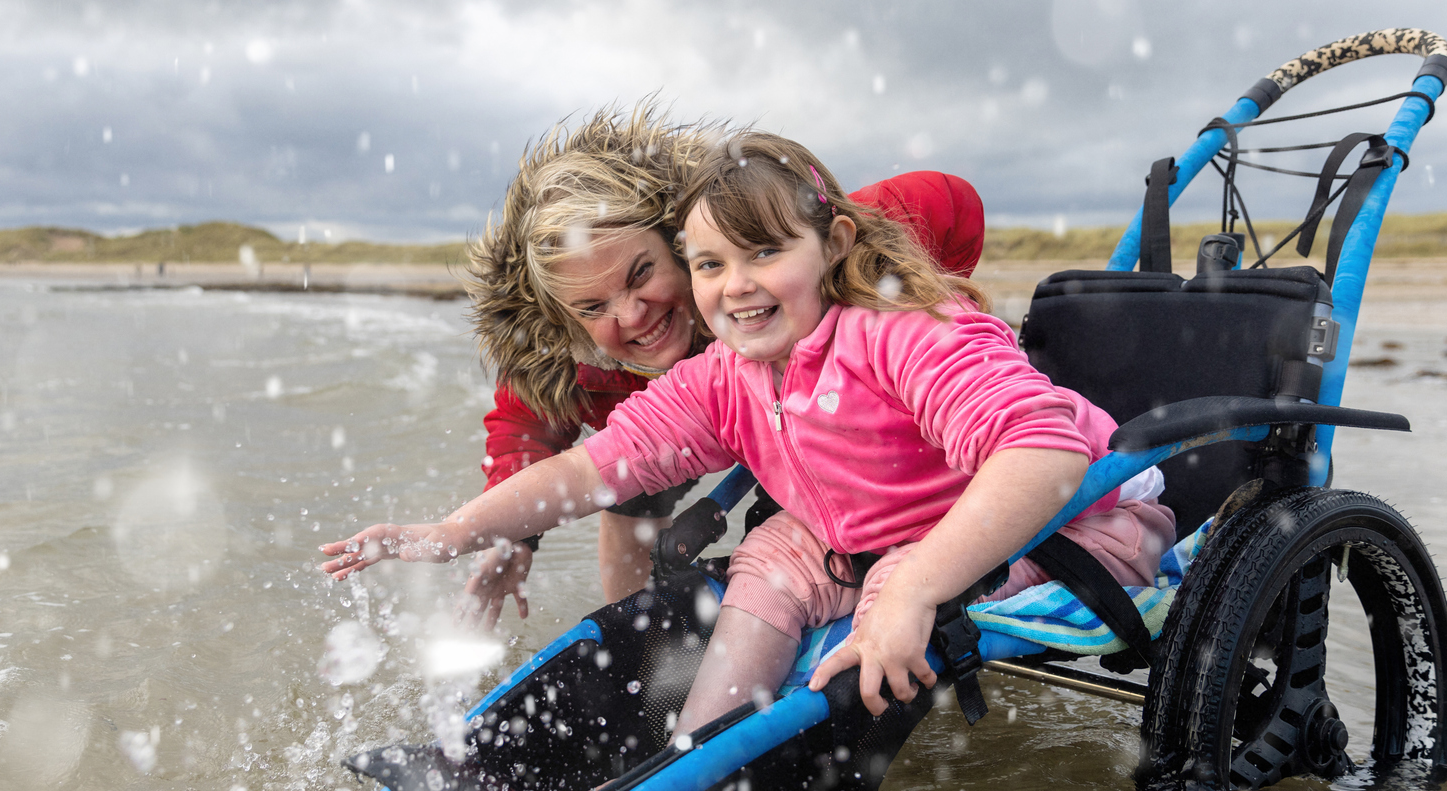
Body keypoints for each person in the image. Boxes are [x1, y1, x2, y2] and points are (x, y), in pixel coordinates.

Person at [322, 131, 1175, 729]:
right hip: (861, 520)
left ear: (834, 241)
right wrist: (453, 532)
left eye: (762, 253)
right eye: (711, 266)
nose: (734, 286)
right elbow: (597, 467)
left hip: (1069, 521)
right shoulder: (720, 373)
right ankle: (700, 747)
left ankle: (805, 755)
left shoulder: (899, 323)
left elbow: (1048, 454)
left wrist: (913, 589)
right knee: (767, 557)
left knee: (890, 585)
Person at [460, 106, 984, 627]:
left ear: (684, 242)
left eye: (641, 275)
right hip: (674, 436)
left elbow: (952, 202)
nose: (631, 316)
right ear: (565, 321)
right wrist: (513, 537)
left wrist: (893, 309)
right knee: (628, 492)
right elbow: (522, 432)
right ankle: (642, 637)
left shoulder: (755, 272)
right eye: (592, 309)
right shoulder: (569, 361)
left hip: (808, 406)